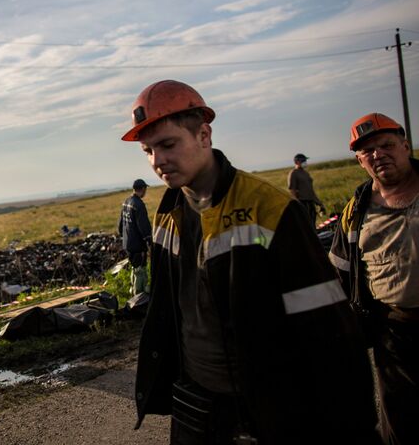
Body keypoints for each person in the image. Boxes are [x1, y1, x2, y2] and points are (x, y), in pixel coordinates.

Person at [123, 80, 377, 444]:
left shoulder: (269, 209)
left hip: (266, 406)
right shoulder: (169, 211)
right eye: (148, 151)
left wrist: (352, 426)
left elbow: (328, 329)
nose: (157, 161)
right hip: (197, 403)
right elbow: (168, 308)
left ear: (204, 135)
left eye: (167, 144)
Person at [329, 112, 418, 445]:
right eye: (368, 151)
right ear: (359, 161)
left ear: (405, 146)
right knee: (401, 421)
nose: (379, 154)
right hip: (394, 334)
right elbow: (339, 275)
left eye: (386, 145)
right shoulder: (357, 210)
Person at [118, 178, 152, 295]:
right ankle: (139, 297)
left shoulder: (126, 202)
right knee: (140, 270)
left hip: (128, 244)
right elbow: (144, 226)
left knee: (134, 268)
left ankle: (133, 292)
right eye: (145, 189)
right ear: (142, 189)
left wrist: (124, 237)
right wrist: (149, 241)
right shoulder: (138, 204)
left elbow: (120, 224)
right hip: (137, 245)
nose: (145, 191)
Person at [287, 153, 325, 227]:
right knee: (305, 224)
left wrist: (319, 202)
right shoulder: (293, 173)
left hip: (310, 202)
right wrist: (296, 204)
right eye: (303, 160)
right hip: (302, 203)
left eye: (305, 160)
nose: (305, 162)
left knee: (312, 222)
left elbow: (310, 190)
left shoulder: (305, 173)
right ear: (296, 162)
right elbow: (292, 190)